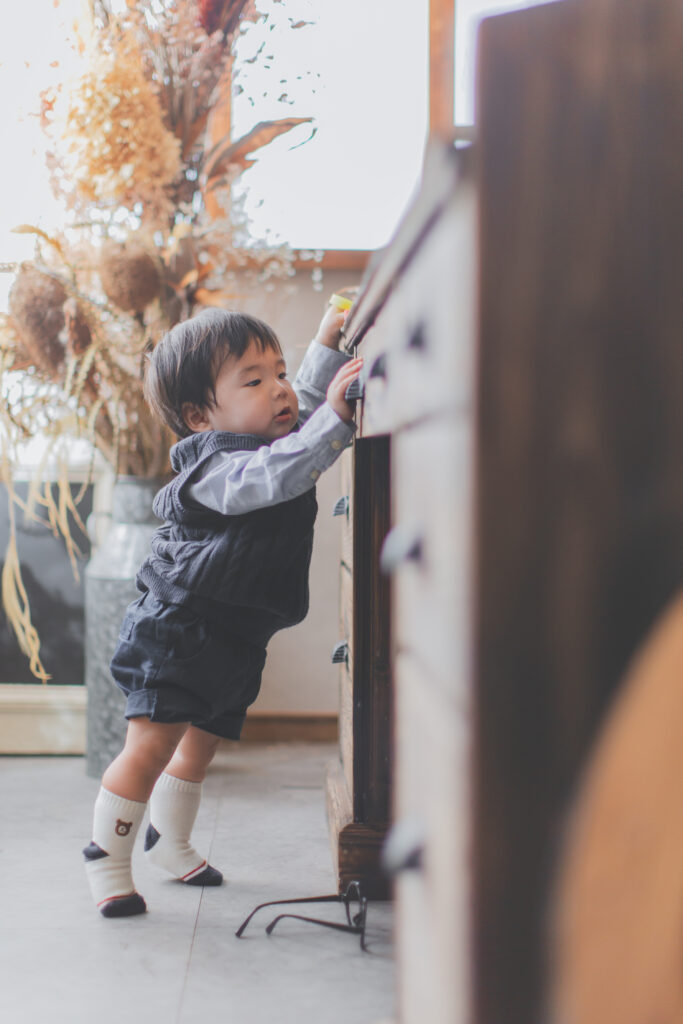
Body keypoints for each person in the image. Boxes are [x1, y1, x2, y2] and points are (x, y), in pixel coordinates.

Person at [83, 302, 362, 917]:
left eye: (279, 371)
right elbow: (277, 474)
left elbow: (304, 408)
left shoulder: (277, 437)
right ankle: (106, 860)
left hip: (237, 635)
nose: (280, 388)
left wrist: (325, 342)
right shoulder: (216, 468)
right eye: (254, 380)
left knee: (200, 748)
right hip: (178, 631)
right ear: (199, 416)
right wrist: (336, 420)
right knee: (150, 750)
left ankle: (170, 844)